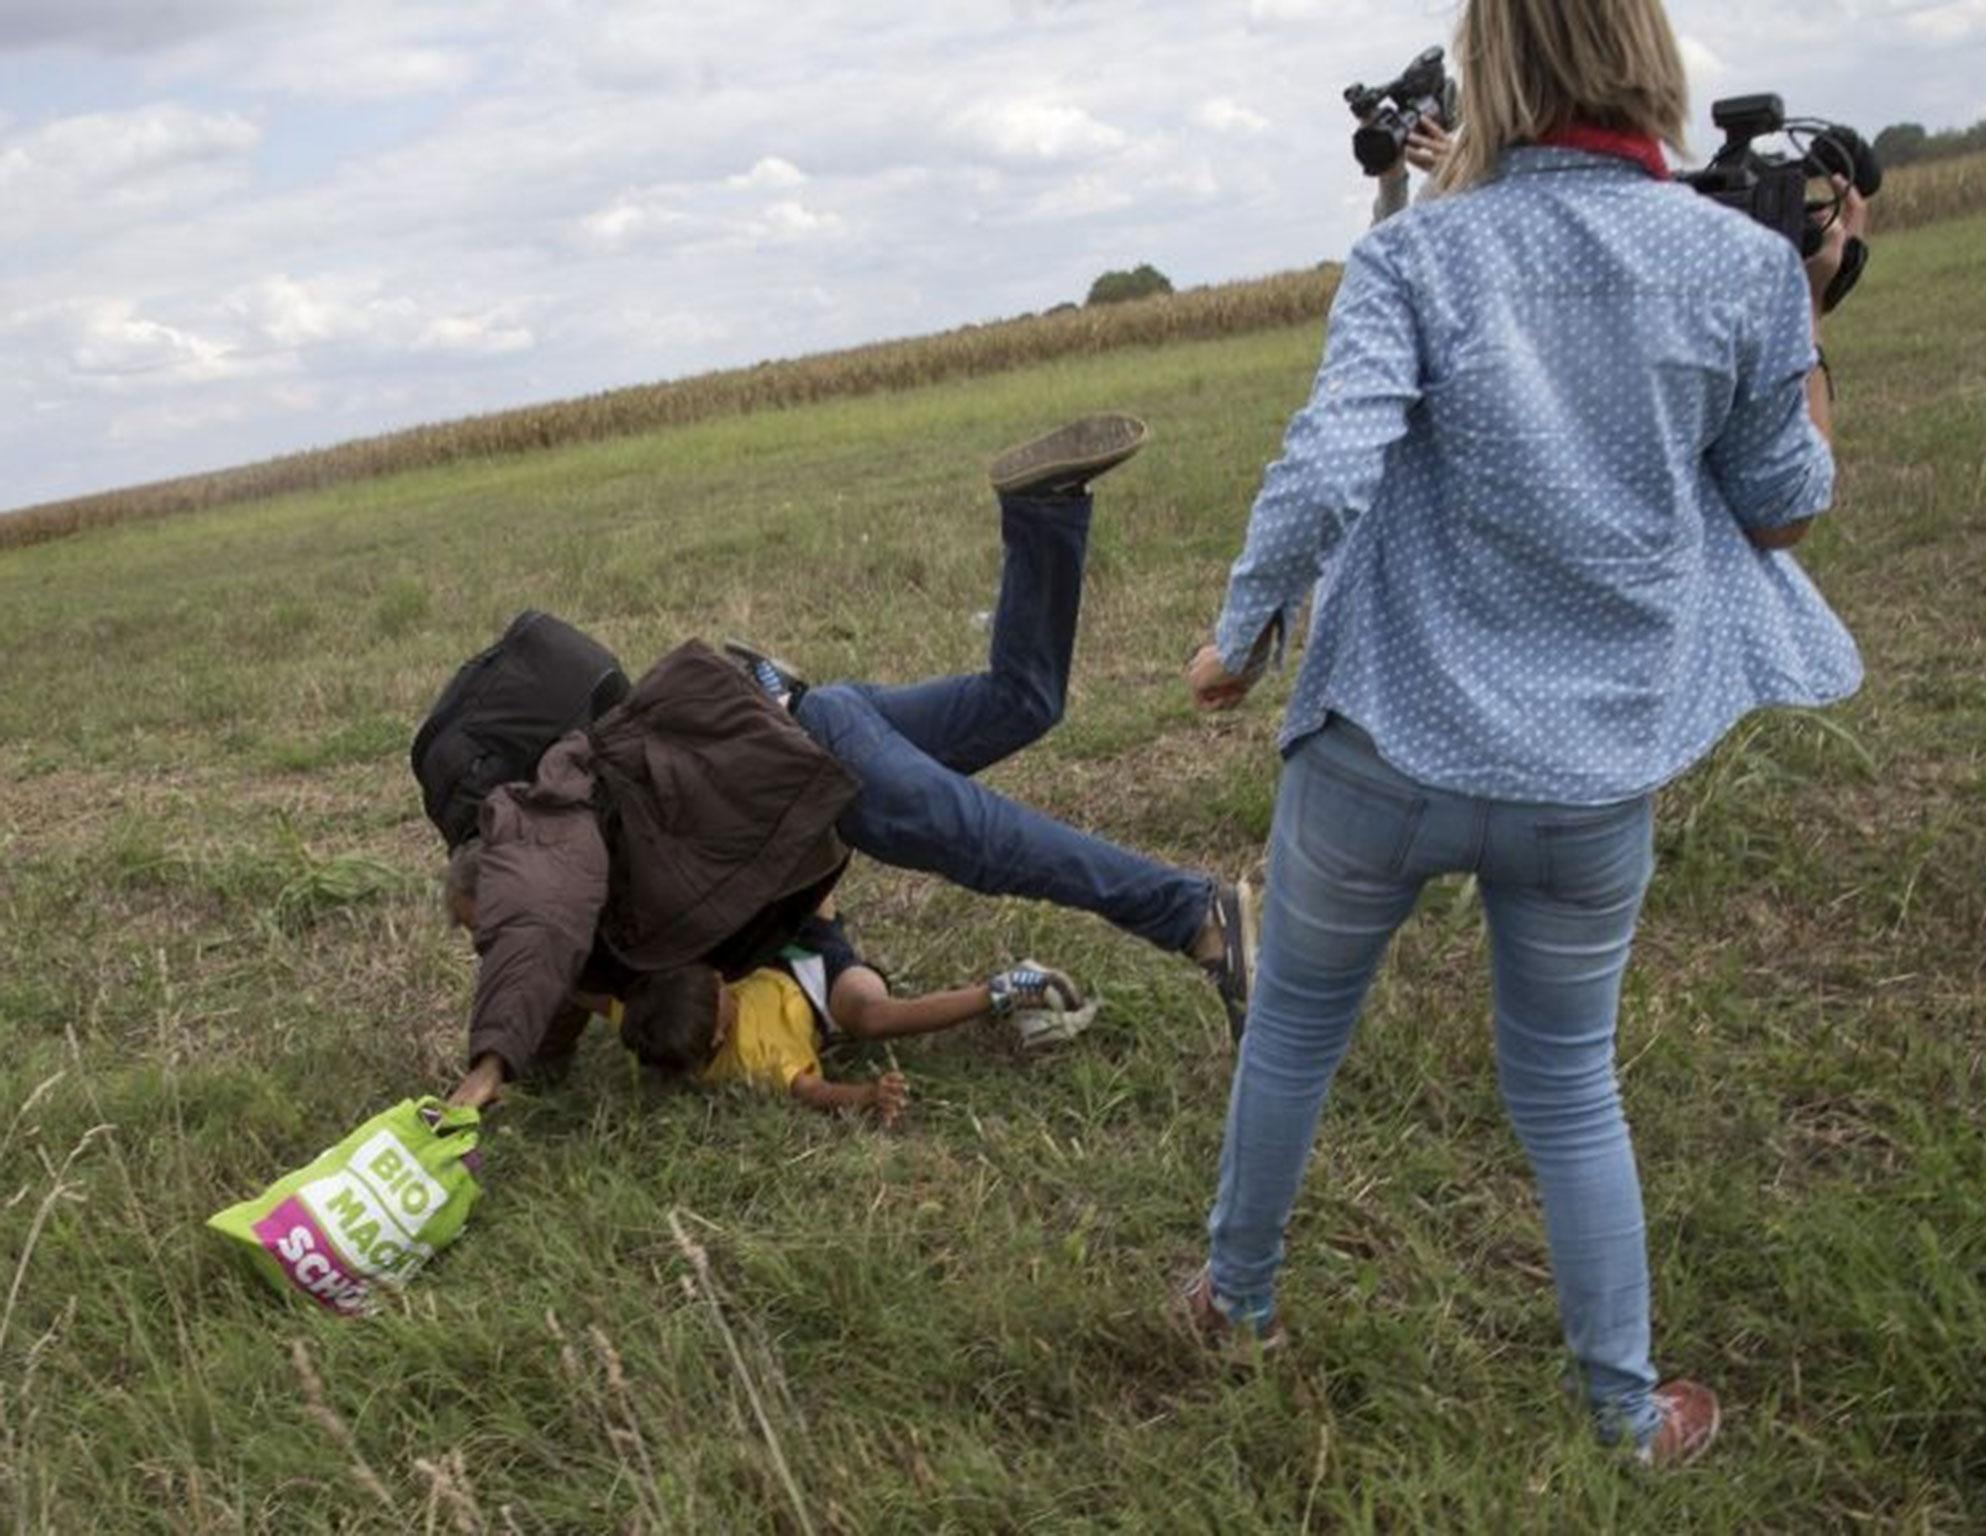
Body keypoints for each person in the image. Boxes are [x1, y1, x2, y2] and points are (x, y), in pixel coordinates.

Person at [1178, 0, 1869, 1466]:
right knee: (1567, 1083)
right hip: (1590, 776)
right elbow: (1783, 504)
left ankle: (1236, 1304)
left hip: (1381, 748)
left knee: (1295, 1033)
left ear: (1491, 74)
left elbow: (1320, 472)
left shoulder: (1418, 252)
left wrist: (1236, 645)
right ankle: (1625, 1413)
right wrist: (1809, 306)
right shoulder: (1743, 266)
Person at [442, 415, 1253, 1110]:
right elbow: (555, 979)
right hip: (817, 724)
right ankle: (1042, 511)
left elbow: (536, 920)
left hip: (820, 766)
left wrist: (485, 1064)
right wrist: (529, 1066)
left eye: (485, 927)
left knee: (977, 839)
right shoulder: (595, 890)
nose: (488, 944)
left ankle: (1193, 915)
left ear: (494, 868)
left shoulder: (538, 835)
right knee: (1021, 701)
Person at [635, 897, 1098, 1126]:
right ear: (717, 1039)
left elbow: (595, 996)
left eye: (712, 978)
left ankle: (804, 781)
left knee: (774, 871)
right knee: (873, 1017)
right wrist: (867, 1095)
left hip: (767, 952)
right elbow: (813, 1091)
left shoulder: (647, 1014)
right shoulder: (757, 1060)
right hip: (823, 989)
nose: (721, 983)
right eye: (722, 999)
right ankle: (1011, 988)